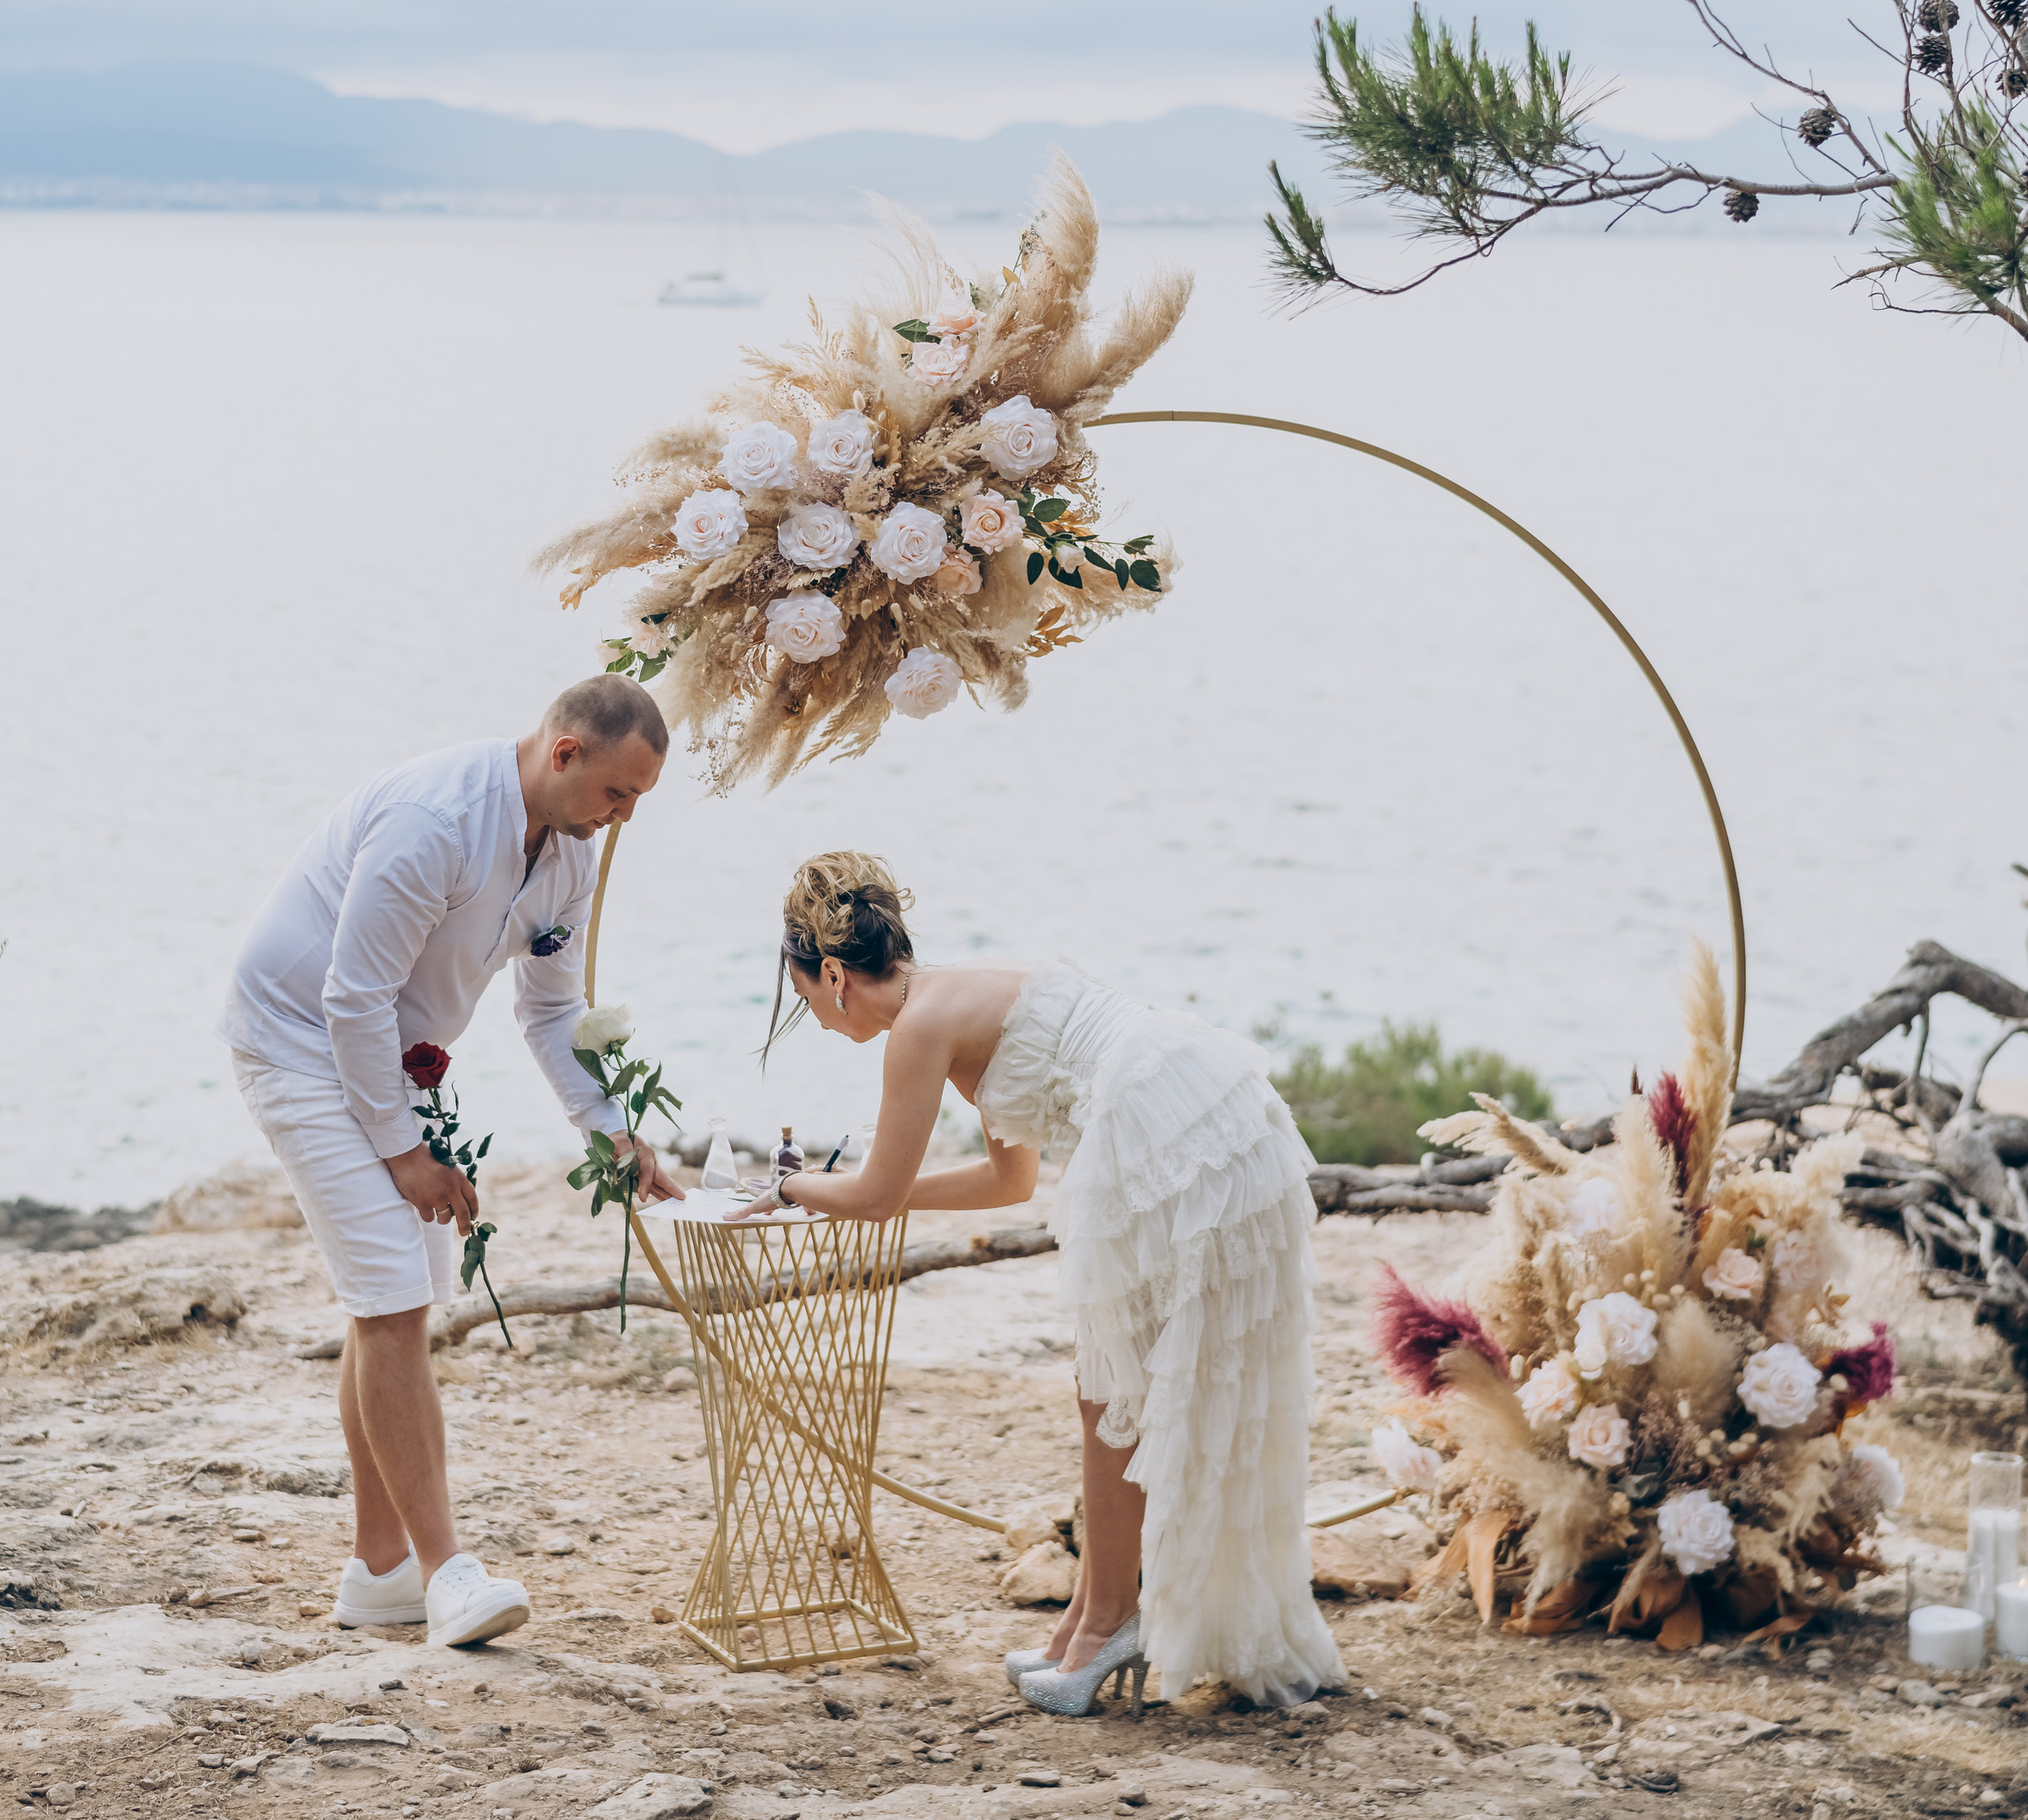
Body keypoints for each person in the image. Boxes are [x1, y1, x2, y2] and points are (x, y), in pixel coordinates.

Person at [753, 852, 1341, 1714]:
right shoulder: (954, 998)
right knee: (1112, 1387)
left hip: (1157, 1119)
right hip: (1199, 1098)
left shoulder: (920, 1029)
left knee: (1110, 1390)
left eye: (806, 999)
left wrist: (788, 1190)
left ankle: (1107, 1623)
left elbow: (874, 1194)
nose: (815, 1014)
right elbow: (1006, 1183)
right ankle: (1087, 1621)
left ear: (833, 974)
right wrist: (828, 1196)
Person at [218, 680, 681, 1647]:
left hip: (386, 1048)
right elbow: (351, 998)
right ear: (563, 754)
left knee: (396, 1297)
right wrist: (404, 1152)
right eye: (617, 794)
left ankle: (379, 1570)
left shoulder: (571, 854)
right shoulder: (437, 821)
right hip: (301, 1033)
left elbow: (548, 1011)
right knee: (390, 1297)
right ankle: (446, 1575)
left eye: (638, 800)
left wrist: (610, 1127)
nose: (625, 817)